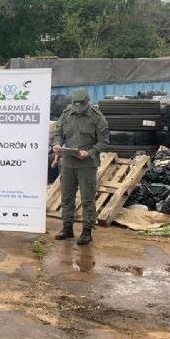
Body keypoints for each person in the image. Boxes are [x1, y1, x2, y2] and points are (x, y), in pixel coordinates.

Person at [52, 90, 109, 245]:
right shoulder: (66, 114)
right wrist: (57, 144)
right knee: (67, 197)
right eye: (75, 106)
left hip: (87, 165)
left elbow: (104, 142)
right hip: (68, 163)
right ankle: (67, 228)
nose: (78, 109)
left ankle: (86, 231)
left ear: (88, 102)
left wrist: (90, 152)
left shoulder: (97, 117)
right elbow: (58, 134)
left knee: (87, 199)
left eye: (81, 106)